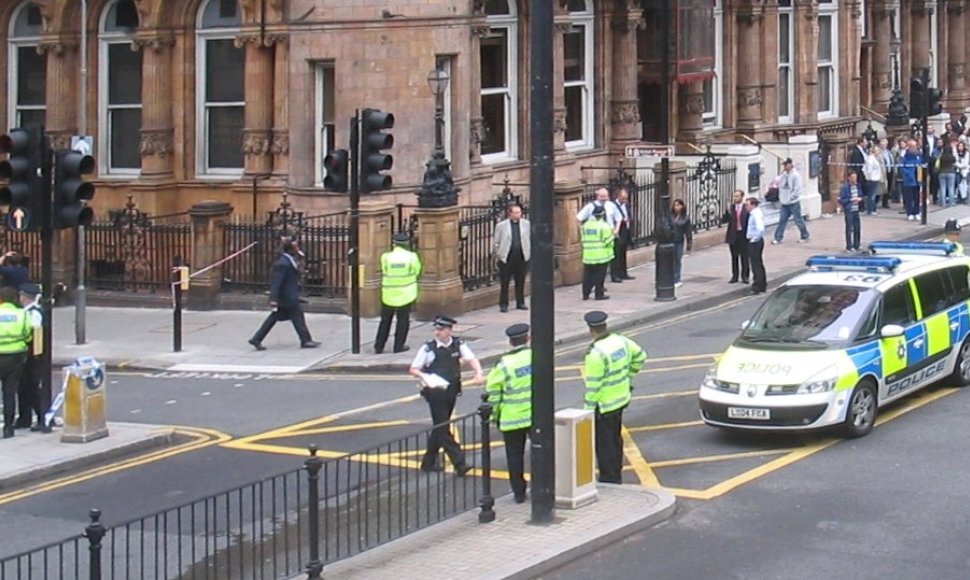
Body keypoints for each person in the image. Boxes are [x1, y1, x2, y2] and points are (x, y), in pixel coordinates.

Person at [409, 315, 483, 475]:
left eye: (441, 330)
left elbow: (471, 359)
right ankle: (460, 463)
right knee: (443, 427)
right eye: (436, 329)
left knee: (440, 425)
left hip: (452, 390)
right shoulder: (427, 349)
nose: (437, 333)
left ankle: (428, 462)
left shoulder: (458, 344)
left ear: (450, 330)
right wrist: (425, 377)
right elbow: (414, 369)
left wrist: (478, 372)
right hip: (435, 392)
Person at [582, 311, 647, 484]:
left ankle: (609, 477)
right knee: (615, 438)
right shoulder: (621, 340)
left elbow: (593, 386)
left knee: (604, 443)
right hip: (621, 398)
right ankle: (616, 471)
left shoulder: (595, 354)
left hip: (604, 404)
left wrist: (587, 410)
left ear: (590, 329)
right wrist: (629, 376)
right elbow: (641, 356)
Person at [485, 323, 532, 503]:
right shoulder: (536, 356)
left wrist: (494, 416)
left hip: (511, 419)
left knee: (514, 456)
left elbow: (494, 393)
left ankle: (519, 493)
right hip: (535, 416)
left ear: (510, 342)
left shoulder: (503, 364)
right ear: (527, 338)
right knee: (541, 453)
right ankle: (544, 486)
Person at [248, 236, 320, 350]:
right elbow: (276, 282)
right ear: (290, 248)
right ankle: (305, 340)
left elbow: (298, 271)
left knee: (276, 318)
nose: (298, 248)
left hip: (288, 296)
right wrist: (273, 299)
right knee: (297, 317)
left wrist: (301, 257)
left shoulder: (290, 259)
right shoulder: (283, 263)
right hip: (287, 298)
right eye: (296, 246)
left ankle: (256, 339)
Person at [374, 233, 421, 354]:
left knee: (385, 320)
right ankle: (398, 346)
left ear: (394, 244)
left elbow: (384, 270)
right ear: (406, 244)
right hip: (406, 293)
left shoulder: (385, 257)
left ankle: (379, 346)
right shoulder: (412, 257)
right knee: (403, 320)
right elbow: (416, 271)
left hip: (388, 293)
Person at [0, 286, 32, 439]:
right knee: (9, 393)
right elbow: (28, 335)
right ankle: (8, 428)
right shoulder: (22, 314)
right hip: (14, 358)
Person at [14, 283, 47, 432]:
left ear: (24, 297)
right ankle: (24, 418)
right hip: (27, 355)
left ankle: (42, 417)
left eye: (21, 295)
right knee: (22, 387)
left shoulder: (34, 313)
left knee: (32, 387)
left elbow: (35, 335)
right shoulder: (27, 311)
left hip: (32, 356)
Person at [492, 203, 531, 312]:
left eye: (520, 212)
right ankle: (503, 304)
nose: (519, 214)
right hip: (507, 257)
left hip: (521, 256)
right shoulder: (501, 226)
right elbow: (496, 242)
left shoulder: (526, 224)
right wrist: (499, 253)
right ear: (510, 214)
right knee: (505, 282)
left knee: (521, 281)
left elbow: (529, 238)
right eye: (516, 212)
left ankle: (520, 302)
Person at [580, 204, 614, 301]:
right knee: (599, 276)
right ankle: (599, 294)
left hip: (588, 255)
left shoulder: (585, 225)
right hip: (601, 256)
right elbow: (608, 241)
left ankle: (585, 294)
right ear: (603, 214)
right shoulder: (604, 226)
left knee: (587, 275)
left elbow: (582, 239)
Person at [772, 158, 810, 244]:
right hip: (784, 202)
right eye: (784, 165)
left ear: (790, 164)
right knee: (782, 220)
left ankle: (804, 235)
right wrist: (782, 198)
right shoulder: (784, 174)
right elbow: (780, 186)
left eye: (786, 164)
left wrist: (792, 197)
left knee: (798, 220)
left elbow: (797, 188)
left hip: (793, 202)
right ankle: (778, 237)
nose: (784, 166)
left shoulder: (796, 175)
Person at [721, 189, 750, 284]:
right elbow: (725, 221)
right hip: (733, 234)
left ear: (742, 197)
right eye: (734, 196)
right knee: (734, 256)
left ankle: (745, 276)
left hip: (743, 234)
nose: (735, 198)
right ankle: (735, 276)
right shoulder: (731, 208)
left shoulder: (746, 208)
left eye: (737, 196)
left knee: (744, 256)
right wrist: (726, 211)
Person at [610, 188, 635, 282]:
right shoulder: (613, 205)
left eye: (626, 198)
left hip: (626, 230)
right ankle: (615, 275)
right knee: (616, 254)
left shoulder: (627, 205)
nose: (624, 200)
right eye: (623, 198)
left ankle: (623, 273)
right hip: (618, 231)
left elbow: (629, 215)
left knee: (623, 253)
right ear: (618, 196)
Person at [746, 197, 767, 295]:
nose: (746, 207)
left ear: (753, 205)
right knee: (758, 263)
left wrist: (754, 239)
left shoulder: (756, 214)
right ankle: (762, 285)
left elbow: (760, 228)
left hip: (755, 242)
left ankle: (757, 286)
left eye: (748, 205)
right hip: (756, 241)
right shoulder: (754, 213)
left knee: (756, 265)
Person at [839, 172, 864, 253]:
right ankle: (849, 246)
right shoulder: (845, 188)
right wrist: (850, 200)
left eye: (855, 177)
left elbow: (861, 195)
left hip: (856, 209)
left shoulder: (857, 186)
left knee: (857, 228)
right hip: (849, 210)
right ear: (849, 178)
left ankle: (857, 244)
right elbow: (841, 200)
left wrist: (860, 199)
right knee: (849, 228)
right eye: (853, 177)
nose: (854, 179)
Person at [670, 199, 692, 288]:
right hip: (670, 241)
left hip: (679, 241)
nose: (676, 207)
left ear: (682, 206)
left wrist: (689, 243)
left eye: (678, 205)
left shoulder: (685, 218)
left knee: (677, 260)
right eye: (675, 205)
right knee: (671, 261)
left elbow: (688, 231)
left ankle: (677, 279)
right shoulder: (670, 216)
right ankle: (670, 278)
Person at [900, 139, 923, 221]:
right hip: (909, 180)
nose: (914, 148)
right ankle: (909, 213)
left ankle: (916, 212)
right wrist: (907, 174)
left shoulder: (919, 155)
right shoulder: (905, 156)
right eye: (912, 146)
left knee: (917, 197)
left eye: (915, 146)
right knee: (909, 198)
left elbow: (922, 164)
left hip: (917, 179)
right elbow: (902, 167)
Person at [938, 136, 958, 207]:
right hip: (951, 172)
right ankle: (951, 203)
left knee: (942, 188)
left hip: (942, 172)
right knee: (951, 188)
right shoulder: (952, 157)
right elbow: (955, 162)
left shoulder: (942, 157)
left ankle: (942, 203)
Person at [862, 145, 883, 215]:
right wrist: (869, 177)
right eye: (877, 150)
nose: (878, 152)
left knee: (873, 194)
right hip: (872, 179)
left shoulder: (874, 158)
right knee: (871, 195)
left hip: (875, 178)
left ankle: (873, 209)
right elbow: (868, 169)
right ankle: (870, 209)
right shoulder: (870, 159)